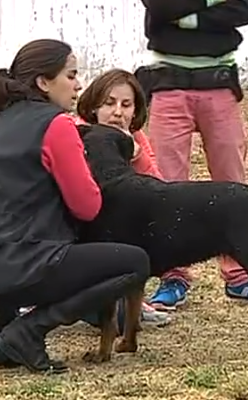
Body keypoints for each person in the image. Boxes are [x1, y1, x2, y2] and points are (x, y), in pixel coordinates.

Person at [0, 39, 151, 373]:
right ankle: (30, 330)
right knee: (134, 262)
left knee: (21, 234)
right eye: (71, 75)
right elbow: (87, 207)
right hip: (17, 265)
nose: (79, 84)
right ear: (43, 82)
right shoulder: (57, 124)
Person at [133, 0, 248, 309]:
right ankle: (173, 274)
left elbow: (244, 10)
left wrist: (184, 9)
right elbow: (156, 2)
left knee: (231, 178)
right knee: (166, 185)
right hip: (168, 80)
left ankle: (239, 272)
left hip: (218, 81)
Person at [73, 68, 180, 327]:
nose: (117, 112)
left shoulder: (134, 138)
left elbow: (156, 187)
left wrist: (136, 154)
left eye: (126, 105)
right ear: (94, 106)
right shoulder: (76, 134)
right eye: (109, 103)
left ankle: (131, 296)